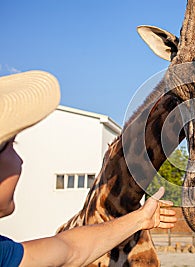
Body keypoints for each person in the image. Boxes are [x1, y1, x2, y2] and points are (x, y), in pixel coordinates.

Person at [0, 70, 177, 266]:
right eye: (11, 144)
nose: (20, 160)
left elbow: (71, 250)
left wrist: (141, 218)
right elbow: (69, 252)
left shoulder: (6, 253)